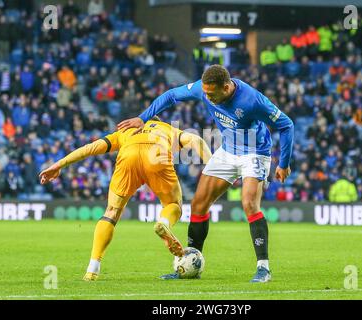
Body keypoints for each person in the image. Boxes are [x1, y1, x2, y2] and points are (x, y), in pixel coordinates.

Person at [117, 65, 294, 282]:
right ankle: (190, 262)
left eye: (212, 93)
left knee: (249, 204)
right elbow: (172, 95)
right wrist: (143, 118)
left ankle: (263, 268)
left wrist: (283, 163)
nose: (207, 97)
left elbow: (286, 125)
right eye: (205, 92)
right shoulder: (203, 89)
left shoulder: (252, 100)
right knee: (199, 205)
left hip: (255, 153)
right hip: (227, 151)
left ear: (226, 87)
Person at [39, 117, 212, 281]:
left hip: (129, 157)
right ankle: (164, 222)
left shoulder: (125, 130)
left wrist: (58, 164)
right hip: (157, 156)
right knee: (173, 204)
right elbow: (196, 140)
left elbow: (90, 148)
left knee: (111, 212)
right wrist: (213, 166)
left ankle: (92, 268)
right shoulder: (167, 129)